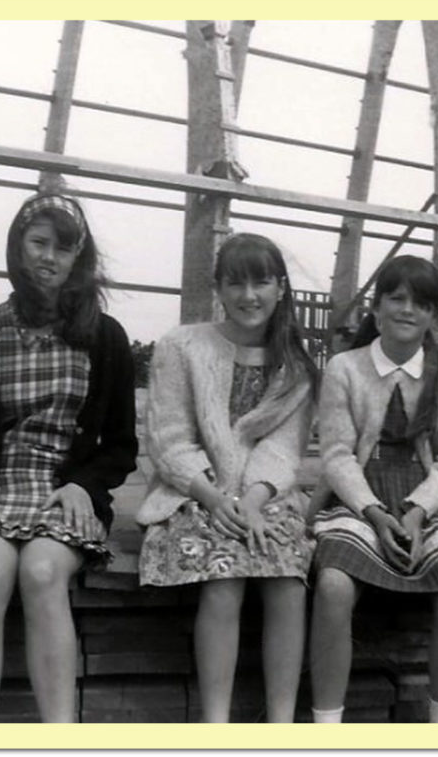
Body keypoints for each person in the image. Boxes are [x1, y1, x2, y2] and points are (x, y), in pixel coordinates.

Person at [0, 191, 138, 722]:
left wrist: (85, 487)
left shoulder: (105, 338)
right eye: (39, 243)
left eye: (63, 248)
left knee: (44, 572)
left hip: (65, 495)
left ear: (78, 259)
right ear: (18, 248)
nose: (49, 257)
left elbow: (120, 444)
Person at [136, 233, 318, 723]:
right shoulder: (183, 345)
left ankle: (281, 724)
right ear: (218, 288)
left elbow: (283, 451)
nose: (249, 295)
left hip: (265, 495)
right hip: (192, 492)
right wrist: (213, 497)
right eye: (235, 283)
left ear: (281, 287)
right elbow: (168, 439)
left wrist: (254, 501)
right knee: (224, 578)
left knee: (287, 578)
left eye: (261, 282)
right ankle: (215, 726)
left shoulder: (295, 366)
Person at [309, 255, 438, 724]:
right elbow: (337, 455)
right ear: (376, 305)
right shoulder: (345, 368)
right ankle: (326, 728)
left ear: (433, 315)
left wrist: (414, 513)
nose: (408, 310)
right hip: (359, 494)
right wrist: (374, 513)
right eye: (397, 298)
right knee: (331, 584)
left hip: (432, 496)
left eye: (421, 303)